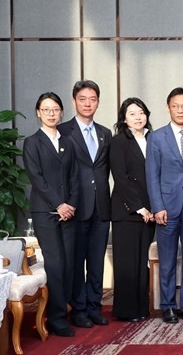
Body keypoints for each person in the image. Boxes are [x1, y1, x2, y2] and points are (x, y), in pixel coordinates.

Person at [23, 92, 79, 337]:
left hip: (68, 212)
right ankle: (56, 319)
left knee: (68, 264)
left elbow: (74, 177)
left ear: (61, 112)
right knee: (55, 265)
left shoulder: (67, 141)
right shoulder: (32, 142)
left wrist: (71, 205)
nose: (51, 113)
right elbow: (37, 179)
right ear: (38, 112)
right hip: (46, 212)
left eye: (55, 109)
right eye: (46, 109)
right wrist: (59, 205)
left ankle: (62, 311)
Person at [58, 80, 112, 328]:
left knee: (97, 261)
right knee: (77, 261)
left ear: (98, 102)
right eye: (82, 99)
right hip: (76, 205)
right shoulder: (63, 131)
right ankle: (78, 309)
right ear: (74, 102)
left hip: (101, 205)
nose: (87, 103)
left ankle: (94, 307)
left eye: (92, 99)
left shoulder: (105, 133)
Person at [146, 87, 183, 324]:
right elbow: (152, 175)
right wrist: (158, 207)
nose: (180, 110)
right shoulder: (157, 137)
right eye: (175, 106)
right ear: (168, 108)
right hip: (167, 208)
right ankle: (168, 306)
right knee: (167, 260)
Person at [110, 97, 155, 322]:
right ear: (124, 119)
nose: (138, 117)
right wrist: (140, 208)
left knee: (142, 263)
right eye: (132, 114)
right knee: (127, 263)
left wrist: (154, 207)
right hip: (127, 211)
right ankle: (126, 311)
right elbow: (121, 178)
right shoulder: (119, 142)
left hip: (151, 212)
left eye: (141, 112)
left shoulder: (153, 139)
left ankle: (141, 309)